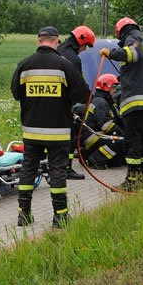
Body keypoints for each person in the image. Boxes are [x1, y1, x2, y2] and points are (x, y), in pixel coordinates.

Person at [11, 26, 88, 228]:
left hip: (32, 131)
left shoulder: (24, 65)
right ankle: (60, 217)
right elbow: (83, 95)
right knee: (57, 173)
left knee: (28, 170)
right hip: (58, 132)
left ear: (38, 41)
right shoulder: (65, 66)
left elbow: (16, 93)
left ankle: (23, 215)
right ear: (56, 41)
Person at [99, 17, 143, 191]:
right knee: (142, 141)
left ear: (121, 31)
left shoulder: (134, 38)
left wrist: (112, 53)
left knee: (132, 141)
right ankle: (141, 179)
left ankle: (132, 181)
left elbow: (131, 53)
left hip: (135, 101)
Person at [58, 25, 96, 180]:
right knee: (72, 136)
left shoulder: (58, 51)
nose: (85, 49)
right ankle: (66, 168)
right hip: (64, 105)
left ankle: (50, 165)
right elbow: (78, 86)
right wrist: (90, 99)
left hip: (47, 103)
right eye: (85, 45)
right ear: (80, 41)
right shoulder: (73, 59)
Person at [81, 73, 125, 169]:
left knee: (118, 161)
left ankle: (88, 155)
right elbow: (105, 124)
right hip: (93, 136)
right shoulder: (100, 102)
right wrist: (121, 132)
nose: (114, 90)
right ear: (106, 87)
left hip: (96, 134)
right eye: (113, 87)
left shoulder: (105, 101)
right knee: (119, 141)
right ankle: (95, 159)